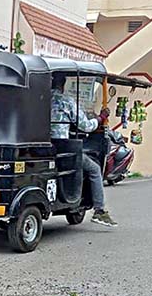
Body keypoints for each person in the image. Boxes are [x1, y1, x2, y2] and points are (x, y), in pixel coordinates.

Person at [50, 74, 117, 227]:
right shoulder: (66, 101)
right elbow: (86, 126)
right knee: (94, 169)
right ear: (62, 85)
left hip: (41, 147)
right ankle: (99, 210)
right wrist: (100, 118)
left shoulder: (38, 101)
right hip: (63, 148)